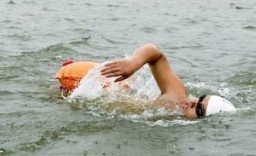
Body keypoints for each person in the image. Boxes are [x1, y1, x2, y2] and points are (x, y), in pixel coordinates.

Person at [100, 43, 236, 119]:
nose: (193, 102)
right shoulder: (177, 96)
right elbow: (155, 54)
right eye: (200, 98)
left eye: (199, 109)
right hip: (105, 92)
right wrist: (134, 63)